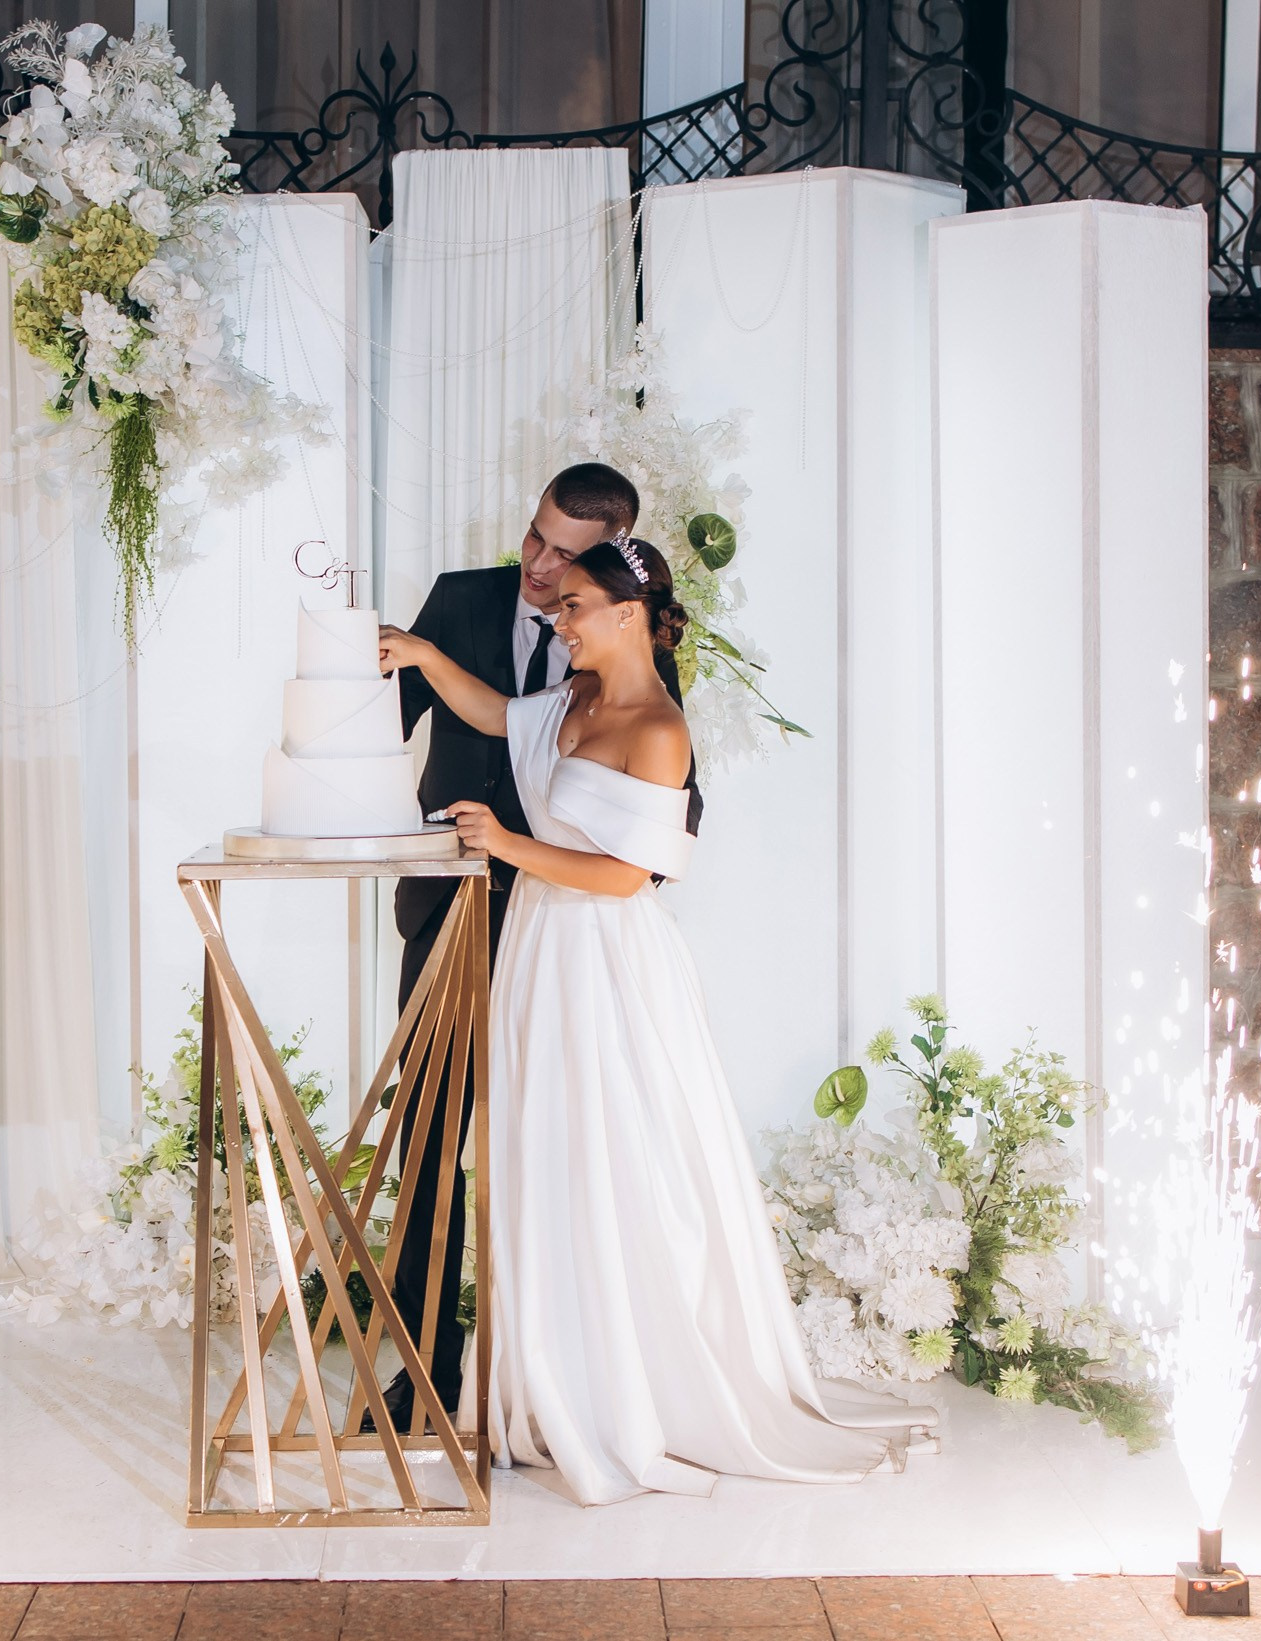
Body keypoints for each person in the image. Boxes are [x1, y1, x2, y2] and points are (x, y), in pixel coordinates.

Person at [377, 538, 933, 1504]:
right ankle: (544, 1377)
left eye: (577, 604)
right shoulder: (575, 699)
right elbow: (497, 713)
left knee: (614, 1159)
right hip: (540, 954)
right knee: (541, 1158)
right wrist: (424, 658)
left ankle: (622, 1389)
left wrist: (506, 841)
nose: (559, 615)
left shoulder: (657, 728)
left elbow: (630, 875)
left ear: (628, 612)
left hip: (606, 961)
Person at [373, 463, 697, 1435]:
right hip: (451, 921)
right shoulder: (460, 604)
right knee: (432, 1141)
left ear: (611, 573)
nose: (542, 571)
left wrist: (533, 853)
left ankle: (576, 1374)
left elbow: (665, 840)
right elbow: (406, 726)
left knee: (568, 1156)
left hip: (573, 943)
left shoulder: (639, 685)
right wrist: (408, 662)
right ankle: (429, 1374)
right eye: (535, 539)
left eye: (568, 561)